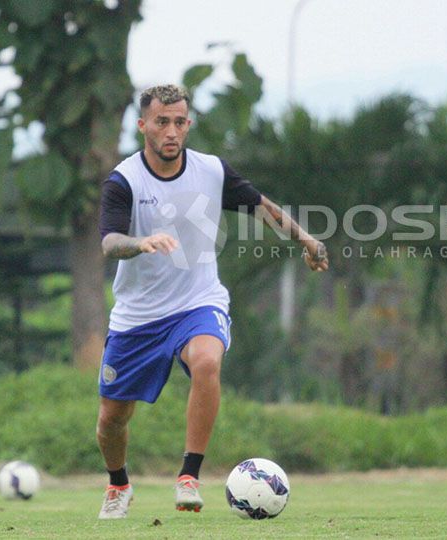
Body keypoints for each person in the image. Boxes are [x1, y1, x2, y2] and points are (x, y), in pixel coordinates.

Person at [95, 84, 329, 519]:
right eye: (162, 121)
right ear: (142, 124)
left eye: (180, 122)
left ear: (189, 124)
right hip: (138, 315)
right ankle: (118, 484)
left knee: (206, 360)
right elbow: (109, 243)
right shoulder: (124, 180)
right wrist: (140, 242)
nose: (171, 131)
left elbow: (262, 207)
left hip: (197, 301)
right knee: (111, 419)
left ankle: (189, 475)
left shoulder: (211, 172)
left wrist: (307, 240)